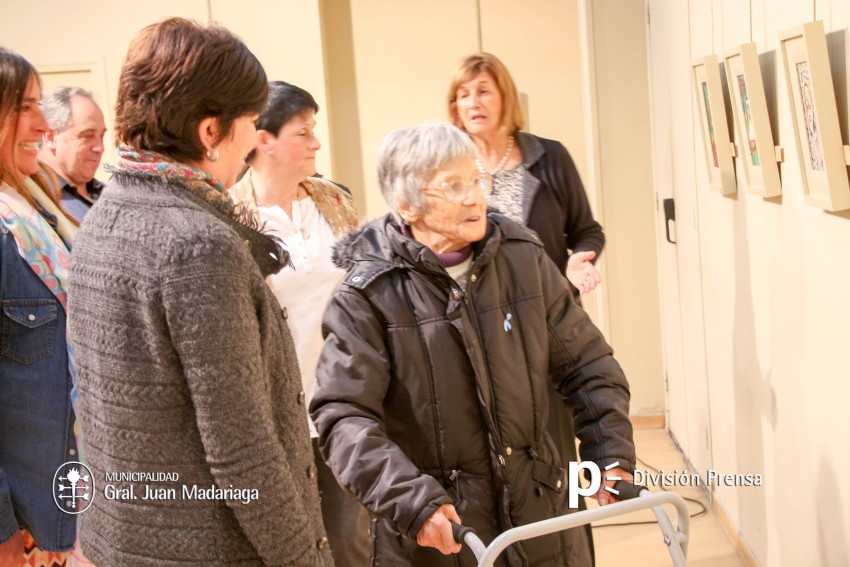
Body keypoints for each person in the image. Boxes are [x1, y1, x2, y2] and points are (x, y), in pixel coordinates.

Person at [310, 121, 635, 567]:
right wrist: (413, 503)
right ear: (408, 203)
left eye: (476, 179)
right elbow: (343, 417)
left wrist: (608, 453)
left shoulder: (523, 257)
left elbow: (588, 366)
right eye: (453, 185)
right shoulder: (366, 294)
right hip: (442, 537)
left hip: (540, 518)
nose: (473, 197)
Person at [67, 19, 332, 566]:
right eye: (251, 124)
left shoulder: (105, 215)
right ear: (211, 133)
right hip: (208, 546)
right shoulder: (197, 245)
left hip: (126, 539)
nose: (252, 145)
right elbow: (241, 451)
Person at [448, 52, 607, 563]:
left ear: (505, 98)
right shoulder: (447, 164)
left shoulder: (548, 157)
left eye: (483, 91)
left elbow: (586, 228)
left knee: (556, 454)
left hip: (546, 331)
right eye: (463, 94)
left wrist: (580, 261)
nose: (472, 102)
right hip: (473, 340)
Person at [228, 81, 366, 566]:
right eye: (303, 132)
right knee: (292, 545)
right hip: (277, 412)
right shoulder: (230, 216)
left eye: (315, 130)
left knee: (352, 540)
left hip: (345, 404)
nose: (316, 143)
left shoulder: (334, 201)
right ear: (262, 140)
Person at [0, 47, 84, 567]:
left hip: (71, 501)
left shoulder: (38, 207)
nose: (42, 124)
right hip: (24, 526)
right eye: (25, 107)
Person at [38, 87, 107, 221]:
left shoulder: (112, 195)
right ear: (51, 138)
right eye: (87, 135)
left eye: (102, 136)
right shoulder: (33, 203)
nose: (100, 148)